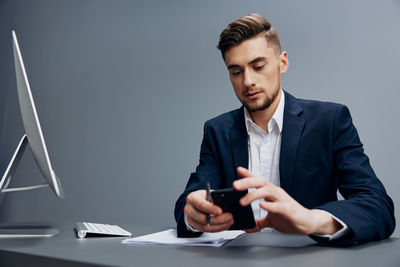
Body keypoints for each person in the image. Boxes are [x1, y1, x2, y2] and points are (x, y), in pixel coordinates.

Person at [174, 14, 395, 246]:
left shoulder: (330, 121)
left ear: (283, 63)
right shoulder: (216, 131)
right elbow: (188, 203)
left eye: (258, 66)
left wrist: (311, 220)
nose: (248, 81)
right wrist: (193, 214)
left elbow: (377, 205)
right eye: (236, 72)